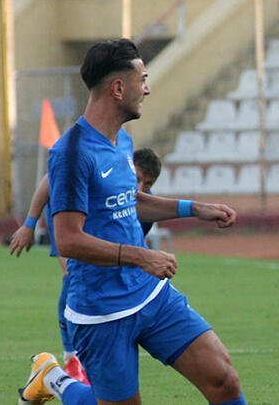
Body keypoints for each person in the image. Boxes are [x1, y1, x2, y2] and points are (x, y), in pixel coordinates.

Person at [17, 38, 247, 405]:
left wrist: (194, 209)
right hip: (101, 311)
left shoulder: (121, 141)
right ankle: (54, 378)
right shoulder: (72, 153)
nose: (147, 89)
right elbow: (69, 239)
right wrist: (142, 256)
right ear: (118, 88)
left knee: (224, 381)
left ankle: (52, 377)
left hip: (150, 294)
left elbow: (129, 201)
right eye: (143, 79)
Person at [10, 147, 164, 387]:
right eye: (137, 179)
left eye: (147, 184)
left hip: (97, 229)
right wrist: (29, 225)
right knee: (72, 275)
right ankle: (71, 359)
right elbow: (49, 180)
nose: (140, 187)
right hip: (67, 217)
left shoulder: (145, 207)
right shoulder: (101, 171)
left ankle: (99, 349)